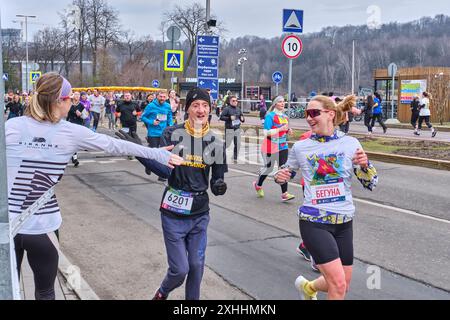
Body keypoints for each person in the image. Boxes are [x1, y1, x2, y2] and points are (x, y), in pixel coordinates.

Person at [5, 72, 183, 300]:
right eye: (70, 98)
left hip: (7, 224)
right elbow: (115, 146)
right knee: (45, 291)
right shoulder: (70, 131)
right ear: (60, 101)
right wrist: (155, 154)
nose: (72, 103)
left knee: (7, 290)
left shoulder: (12, 126)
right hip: (43, 225)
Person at [116, 87, 228, 300]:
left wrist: (219, 185)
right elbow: (164, 170)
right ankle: (162, 293)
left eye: (205, 105)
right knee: (179, 270)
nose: (201, 110)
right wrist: (139, 151)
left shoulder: (216, 143)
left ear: (210, 110)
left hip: (199, 213)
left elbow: (217, 181)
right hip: (173, 213)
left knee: (196, 266)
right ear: (188, 110)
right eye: (196, 105)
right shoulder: (172, 134)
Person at [274, 94, 378, 300]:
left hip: (344, 222)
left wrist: (365, 165)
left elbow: (370, 183)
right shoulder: (302, 147)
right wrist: (280, 176)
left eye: (314, 113)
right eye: (306, 114)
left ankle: (309, 288)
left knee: (343, 284)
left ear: (330, 114)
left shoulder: (350, 143)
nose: (309, 118)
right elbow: (287, 172)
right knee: (337, 284)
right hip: (314, 222)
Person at [253, 96, 295, 202]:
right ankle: (258, 185)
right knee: (269, 168)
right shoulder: (270, 116)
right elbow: (266, 132)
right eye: (280, 102)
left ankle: (284, 194)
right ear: (275, 104)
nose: (282, 103)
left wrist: (288, 131)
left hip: (283, 146)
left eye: (283, 101)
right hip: (270, 145)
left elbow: (284, 130)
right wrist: (280, 129)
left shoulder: (285, 117)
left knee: (283, 169)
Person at [141, 91, 173, 180]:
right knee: (153, 152)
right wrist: (152, 122)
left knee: (163, 153)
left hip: (164, 133)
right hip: (153, 133)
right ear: (157, 96)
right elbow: (143, 117)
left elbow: (170, 116)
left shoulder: (167, 106)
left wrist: (170, 124)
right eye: (160, 96)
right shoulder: (151, 106)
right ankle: (148, 165)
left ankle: (161, 175)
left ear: (166, 97)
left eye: (164, 97)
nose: (162, 98)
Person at [220, 95, 245, 162]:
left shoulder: (238, 109)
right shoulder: (227, 109)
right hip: (229, 129)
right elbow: (221, 117)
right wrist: (229, 118)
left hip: (237, 129)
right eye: (233, 101)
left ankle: (235, 157)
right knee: (227, 144)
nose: (235, 102)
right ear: (230, 101)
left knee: (238, 143)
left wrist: (242, 119)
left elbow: (241, 117)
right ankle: (220, 153)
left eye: (236, 100)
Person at [66, 91, 86, 167]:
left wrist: (81, 114)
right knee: (71, 142)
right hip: (70, 125)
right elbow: (65, 115)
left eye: (78, 95)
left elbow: (85, 116)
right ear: (73, 96)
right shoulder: (68, 104)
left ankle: (74, 157)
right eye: (76, 94)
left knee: (75, 142)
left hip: (78, 125)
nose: (77, 96)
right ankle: (74, 158)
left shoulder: (81, 106)